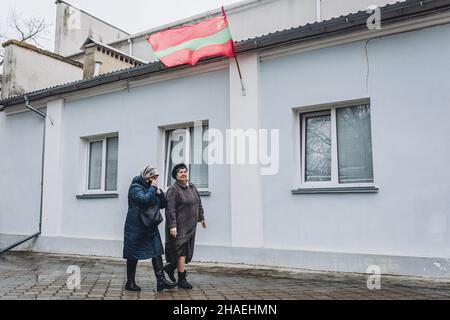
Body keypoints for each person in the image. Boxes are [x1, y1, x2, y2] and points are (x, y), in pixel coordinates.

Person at [123, 165, 177, 292]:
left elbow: (163, 205)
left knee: (156, 251)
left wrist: (160, 193)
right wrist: (153, 189)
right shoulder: (135, 187)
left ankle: (161, 281)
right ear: (147, 176)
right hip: (136, 226)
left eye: (156, 178)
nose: (155, 180)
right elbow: (144, 200)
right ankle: (130, 283)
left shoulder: (151, 188)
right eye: (153, 177)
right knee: (133, 254)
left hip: (150, 226)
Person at [163, 163, 207, 289]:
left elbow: (198, 204)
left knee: (185, 252)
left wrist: (202, 218)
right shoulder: (173, 189)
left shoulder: (192, 187)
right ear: (176, 176)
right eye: (180, 172)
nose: (183, 173)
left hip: (191, 226)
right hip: (178, 226)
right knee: (180, 252)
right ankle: (181, 278)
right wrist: (172, 226)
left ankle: (170, 268)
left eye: (185, 171)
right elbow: (170, 209)